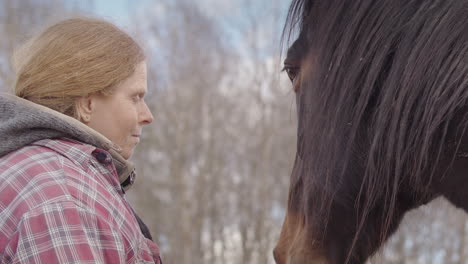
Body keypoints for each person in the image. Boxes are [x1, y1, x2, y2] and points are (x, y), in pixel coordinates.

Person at [0, 17, 161, 263]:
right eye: (135, 97)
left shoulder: (36, 174)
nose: (147, 116)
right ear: (87, 103)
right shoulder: (64, 197)